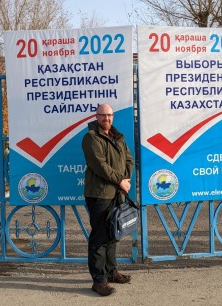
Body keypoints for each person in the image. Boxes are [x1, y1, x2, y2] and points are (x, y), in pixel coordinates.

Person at [82, 103, 134, 297]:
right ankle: (99, 280)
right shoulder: (91, 138)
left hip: (117, 192)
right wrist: (120, 180)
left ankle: (111, 272)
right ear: (97, 117)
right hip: (100, 194)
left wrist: (125, 179)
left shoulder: (118, 137)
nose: (107, 119)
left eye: (110, 115)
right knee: (99, 237)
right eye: (103, 115)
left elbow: (129, 160)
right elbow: (99, 165)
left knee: (112, 234)